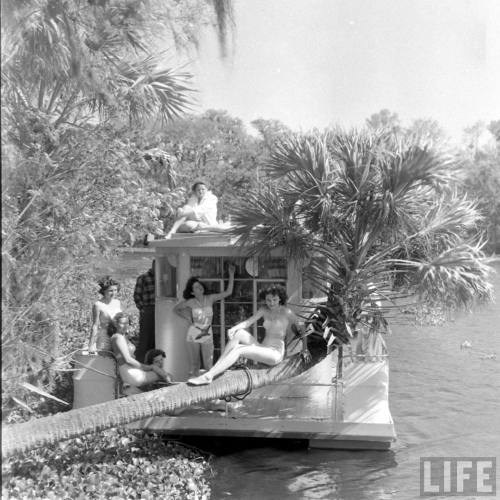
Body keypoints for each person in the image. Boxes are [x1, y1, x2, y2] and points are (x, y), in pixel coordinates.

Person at [187, 284, 311, 386]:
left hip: (275, 353)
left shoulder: (287, 312)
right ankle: (216, 369)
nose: (271, 303)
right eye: (268, 300)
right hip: (263, 347)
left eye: (274, 300)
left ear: (280, 299)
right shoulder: (264, 310)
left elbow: (302, 325)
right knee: (239, 333)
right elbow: (248, 322)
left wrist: (305, 349)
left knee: (239, 350)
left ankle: (209, 375)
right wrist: (233, 329)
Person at [174, 264, 236, 378]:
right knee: (194, 364)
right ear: (192, 292)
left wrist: (231, 275)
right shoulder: (190, 302)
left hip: (207, 331)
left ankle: (209, 388)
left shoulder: (210, 298)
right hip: (194, 331)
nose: (199, 287)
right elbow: (176, 309)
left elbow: (228, 292)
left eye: (200, 285)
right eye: (196, 287)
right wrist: (188, 318)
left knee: (208, 364)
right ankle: (193, 389)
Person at [109, 312, 172, 394]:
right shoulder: (118, 337)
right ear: (116, 324)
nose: (125, 325)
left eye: (127, 323)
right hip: (130, 373)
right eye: (122, 323)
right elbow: (128, 360)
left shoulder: (121, 337)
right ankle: (172, 394)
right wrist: (148, 367)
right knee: (166, 375)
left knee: (160, 373)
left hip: (129, 372)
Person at [88, 276, 122, 354]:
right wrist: (91, 345)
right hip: (105, 336)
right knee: (105, 359)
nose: (113, 293)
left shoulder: (117, 302)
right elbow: (95, 325)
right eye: (110, 291)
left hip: (117, 335)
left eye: (115, 290)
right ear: (104, 291)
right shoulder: (98, 305)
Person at [134, 261, 156, 363]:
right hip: (148, 309)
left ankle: (153, 362)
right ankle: (140, 362)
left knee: (156, 337)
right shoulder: (143, 277)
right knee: (145, 338)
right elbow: (137, 295)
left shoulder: (164, 276)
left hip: (162, 310)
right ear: (153, 265)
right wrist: (142, 309)